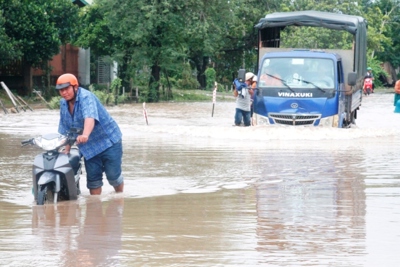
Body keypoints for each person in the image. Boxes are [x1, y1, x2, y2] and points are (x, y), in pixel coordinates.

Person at [56, 73, 124, 195]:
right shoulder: (63, 104)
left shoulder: (86, 97)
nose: (64, 92)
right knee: (93, 181)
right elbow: (66, 128)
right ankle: (94, 209)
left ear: (75, 87)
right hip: (89, 147)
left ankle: (119, 199)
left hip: (108, 141)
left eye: (66, 89)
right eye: (61, 90)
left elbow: (89, 117)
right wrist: (67, 148)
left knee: (113, 176)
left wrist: (85, 134)